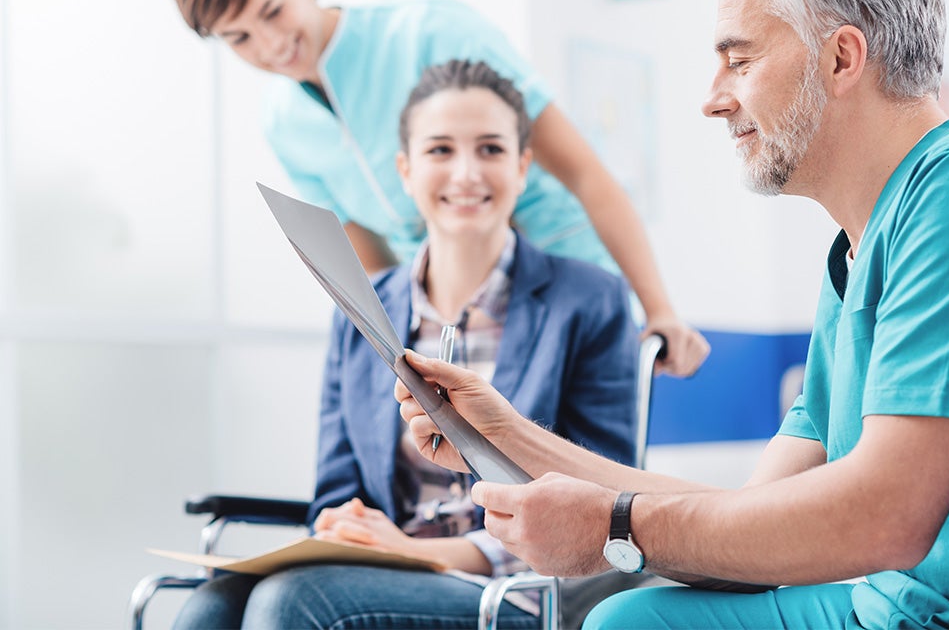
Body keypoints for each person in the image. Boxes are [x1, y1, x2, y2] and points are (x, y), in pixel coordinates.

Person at [396, 0, 949, 629]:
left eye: (740, 59)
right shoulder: (858, 248)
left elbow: (886, 518)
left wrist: (615, 527)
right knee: (630, 621)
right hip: (887, 602)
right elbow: (750, 521)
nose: (712, 98)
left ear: (842, 58)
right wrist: (502, 434)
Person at [172, 59, 656, 629]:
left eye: (492, 150)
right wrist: (344, 525)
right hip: (383, 569)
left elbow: (599, 499)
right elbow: (338, 488)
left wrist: (416, 551)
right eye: (440, 150)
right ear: (404, 169)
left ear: (524, 167)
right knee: (210, 608)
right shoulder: (361, 303)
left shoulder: (588, 300)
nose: (467, 173)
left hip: (517, 589)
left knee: (291, 604)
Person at [163, 0, 709, 376]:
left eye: (273, 11)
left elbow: (586, 174)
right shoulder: (284, 123)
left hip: (564, 281)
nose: (272, 45)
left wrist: (658, 307)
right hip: (454, 321)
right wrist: (403, 359)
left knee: (578, 481)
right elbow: (371, 265)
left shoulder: (432, 33)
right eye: (239, 38)